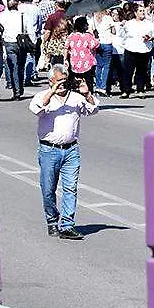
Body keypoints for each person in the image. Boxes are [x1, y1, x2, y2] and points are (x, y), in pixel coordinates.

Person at [31, 64, 99, 241]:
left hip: (71, 150)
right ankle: (52, 220)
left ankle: (67, 225)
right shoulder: (42, 96)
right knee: (48, 189)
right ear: (50, 81)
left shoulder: (75, 98)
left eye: (64, 80)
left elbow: (93, 110)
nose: (62, 84)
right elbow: (37, 109)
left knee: (70, 188)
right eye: (58, 81)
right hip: (49, 150)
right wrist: (52, 92)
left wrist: (87, 94)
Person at [119, 4, 154, 99]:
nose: (142, 13)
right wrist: (122, 27)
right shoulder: (129, 23)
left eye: (143, 11)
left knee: (142, 70)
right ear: (135, 13)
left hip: (144, 49)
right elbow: (121, 35)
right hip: (131, 49)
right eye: (140, 11)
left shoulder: (149, 23)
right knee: (128, 71)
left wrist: (150, 38)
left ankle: (140, 89)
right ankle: (126, 90)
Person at [0, 0, 31, 100]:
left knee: (13, 67)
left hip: (9, 43)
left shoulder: (2, 16)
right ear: (17, 4)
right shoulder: (22, 15)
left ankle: (16, 90)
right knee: (20, 67)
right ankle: (19, 89)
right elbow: (27, 29)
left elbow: (0, 31)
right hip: (20, 43)